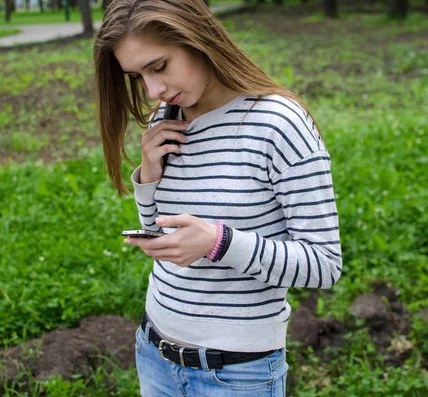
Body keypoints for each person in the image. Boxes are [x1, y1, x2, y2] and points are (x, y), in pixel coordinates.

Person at [93, 0, 342, 395]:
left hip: (236, 375)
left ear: (198, 39)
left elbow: (324, 266)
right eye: (137, 76)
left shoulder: (278, 124)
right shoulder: (168, 117)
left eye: (159, 66)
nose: (153, 89)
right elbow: (162, 236)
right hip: (155, 353)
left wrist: (218, 243)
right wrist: (148, 177)